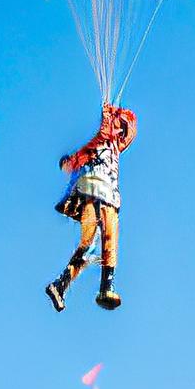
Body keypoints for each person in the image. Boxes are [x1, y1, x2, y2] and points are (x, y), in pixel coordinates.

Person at [46, 103, 137, 313]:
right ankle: (106, 287)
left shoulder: (113, 145)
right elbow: (106, 133)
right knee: (105, 238)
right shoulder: (101, 141)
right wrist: (107, 117)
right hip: (99, 191)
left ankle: (61, 285)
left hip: (99, 193)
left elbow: (129, 131)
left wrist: (113, 116)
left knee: (92, 243)